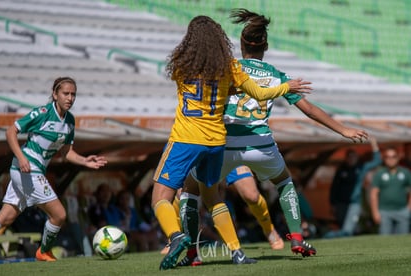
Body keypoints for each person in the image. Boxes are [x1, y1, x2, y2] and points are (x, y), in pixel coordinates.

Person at [178, 8, 370, 264]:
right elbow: (309, 110)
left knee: (191, 192)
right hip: (262, 144)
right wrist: (344, 130)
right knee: (284, 183)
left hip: (225, 144)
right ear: (265, 47)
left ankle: (192, 252)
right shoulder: (277, 75)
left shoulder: (228, 69)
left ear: (242, 44)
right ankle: (298, 238)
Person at [151, 15, 312, 270]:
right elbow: (259, 93)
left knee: (160, 196)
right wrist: (286, 86)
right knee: (213, 197)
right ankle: (237, 252)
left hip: (186, 138)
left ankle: (177, 237)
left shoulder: (183, 66)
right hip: (216, 141)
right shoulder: (229, 69)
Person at [0, 77, 107, 261]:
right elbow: (10, 132)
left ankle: (43, 251)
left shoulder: (70, 121)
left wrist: (84, 161)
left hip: (29, 171)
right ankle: (44, 251)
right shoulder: (42, 113)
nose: (70, 98)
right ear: (55, 94)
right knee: (59, 214)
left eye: (73, 94)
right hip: (27, 169)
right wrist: (22, 157)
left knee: (5, 217)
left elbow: (67, 153)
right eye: (66, 93)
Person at [324, 136, 381, 238]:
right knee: (343, 228)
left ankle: (328, 236)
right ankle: (333, 238)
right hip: (341, 203)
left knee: (347, 229)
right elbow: (334, 187)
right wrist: (332, 203)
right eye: (349, 156)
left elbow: (377, 161)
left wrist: (374, 145)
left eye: (353, 156)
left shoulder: (361, 167)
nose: (351, 159)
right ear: (346, 158)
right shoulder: (341, 169)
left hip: (354, 203)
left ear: (357, 157)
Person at [370, 147, 411, 235]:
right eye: (388, 157)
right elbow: (374, 194)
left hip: (402, 211)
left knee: (403, 241)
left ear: (398, 157)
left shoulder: (405, 172)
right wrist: (375, 212)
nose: (391, 159)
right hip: (384, 212)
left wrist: (409, 208)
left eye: (393, 156)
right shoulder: (379, 174)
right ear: (384, 159)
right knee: (385, 242)